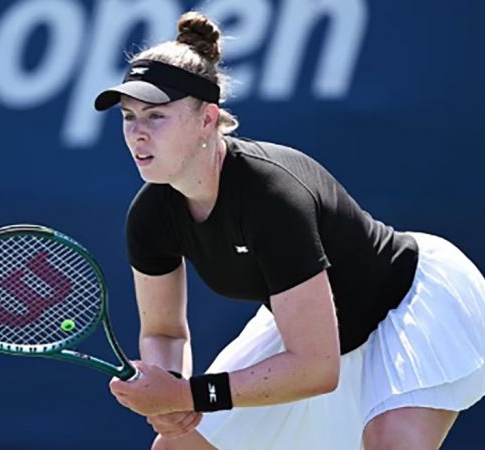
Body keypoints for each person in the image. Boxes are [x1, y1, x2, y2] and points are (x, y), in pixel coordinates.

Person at [94, 11, 485, 450]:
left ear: (207, 119)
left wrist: (190, 394)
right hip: (309, 330)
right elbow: (164, 332)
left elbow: (317, 368)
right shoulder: (149, 217)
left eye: (156, 116)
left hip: (408, 305)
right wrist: (170, 396)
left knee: (392, 444)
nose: (137, 134)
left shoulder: (272, 196)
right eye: (129, 117)